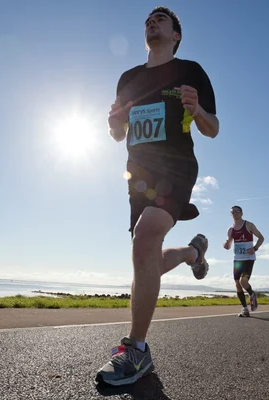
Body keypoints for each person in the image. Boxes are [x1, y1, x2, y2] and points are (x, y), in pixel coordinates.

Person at [95, 7, 219, 387]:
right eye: (148, 20)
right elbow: (118, 134)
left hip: (176, 167)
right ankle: (191, 253)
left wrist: (197, 109)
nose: (152, 22)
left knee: (145, 239)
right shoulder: (129, 78)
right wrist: (113, 123)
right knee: (143, 256)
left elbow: (213, 128)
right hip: (139, 174)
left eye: (161, 19)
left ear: (176, 35)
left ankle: (137, 350)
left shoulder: (191, 71)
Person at [223, 205, 265, 317]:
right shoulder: (230, 230)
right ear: (231, 215)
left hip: (248, 259)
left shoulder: (249, 225)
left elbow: (261, 238)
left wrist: (255, 248)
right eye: (233, 212)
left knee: (243, 281)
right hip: (237, 260)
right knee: (237, 284)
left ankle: (252, 294)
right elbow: (228, 245)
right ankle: (245, 309)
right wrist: (226, 244)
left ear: (242, 213)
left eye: (237, 212)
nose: (235, 214)